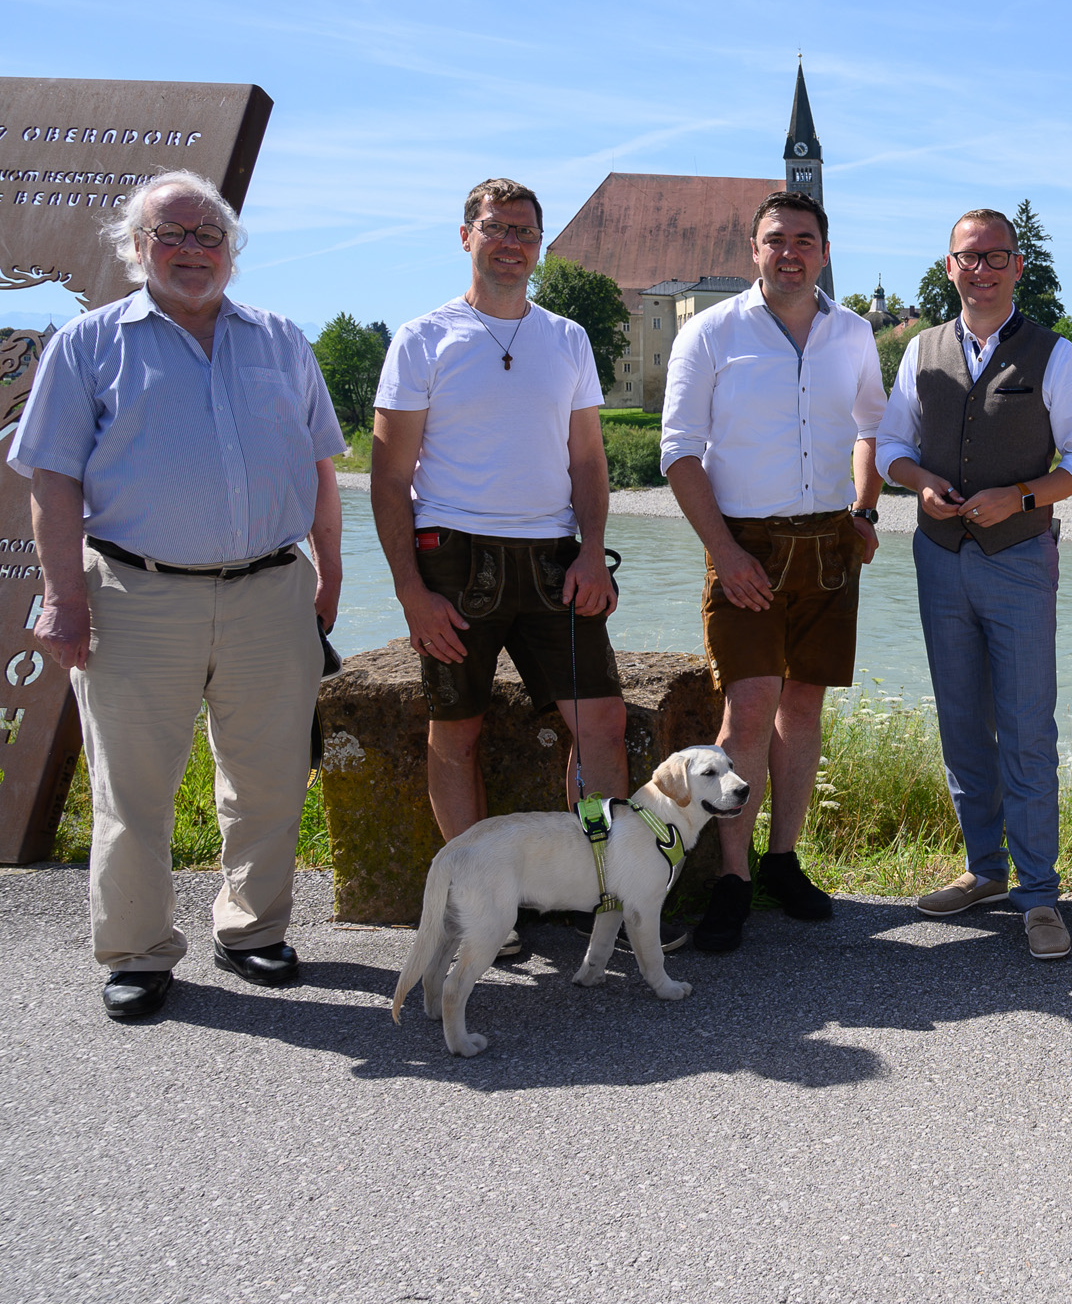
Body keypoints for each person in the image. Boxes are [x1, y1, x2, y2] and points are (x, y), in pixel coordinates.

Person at [11, 170, 345, 1021]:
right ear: (136, 249)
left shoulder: (281, 340)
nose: (193, 250)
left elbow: (319, 469)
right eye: (172, 234)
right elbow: (52, 481)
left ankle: (253, 929)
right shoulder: (87, 345)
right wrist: (63, 597)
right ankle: (138, 950)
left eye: (209, 236)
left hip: (272, 589)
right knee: (133, 786)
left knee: (269, 778)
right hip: (132, 593)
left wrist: (329, 572)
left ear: (232, 250)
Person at [370, 178, 625, 880]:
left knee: (601, 724)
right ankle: (480, 893)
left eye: (524, 232)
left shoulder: (567, 338)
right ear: (466, 237)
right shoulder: (423, 338)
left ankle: (602, 881)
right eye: (496, 228)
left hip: (554, 558)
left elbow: (587, 462)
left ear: (538, 247)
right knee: (457, 732)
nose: (510, 243)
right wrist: (410, 593)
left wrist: (594, 553)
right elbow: (389, 478)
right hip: (453, 556)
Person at [875, 208, 1072, 961]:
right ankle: (985, 870)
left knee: (1028, 731)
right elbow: (889, 447)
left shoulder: (1056, 354)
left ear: (1016, 266)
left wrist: (1023, 497)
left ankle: (1039, 896)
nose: (982, 268)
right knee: (962, 724)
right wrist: (918, 482)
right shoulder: (921, 350)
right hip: (939, 554)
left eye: (996, 256)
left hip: (1018, 556)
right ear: (949, 268)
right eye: (968, 257)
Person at [661, 189, 885, 952]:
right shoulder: (711, 333)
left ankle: (784, 861)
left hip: (829, 542)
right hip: (745, 544)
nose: (789, 251)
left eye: (804, 239)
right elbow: (679, 451)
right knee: (749, 710)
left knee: (805, 709)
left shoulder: (853, 333)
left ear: (824, 250)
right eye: (775, 239)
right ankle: (734, 875)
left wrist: (865, 509)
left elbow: (870, 429)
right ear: (752, 250)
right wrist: (723, 552)